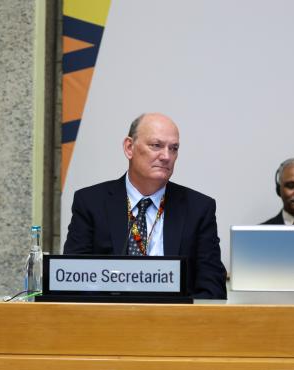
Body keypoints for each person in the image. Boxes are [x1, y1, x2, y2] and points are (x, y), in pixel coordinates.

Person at [63, 112, 227, 299]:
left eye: (173, 148)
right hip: (108, 321)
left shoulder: (198, 208)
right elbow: (72, 280)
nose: (166, 156)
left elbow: (212, 288)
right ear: (129, 147)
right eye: (156, 146)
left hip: (174, 322)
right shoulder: (91, 203)